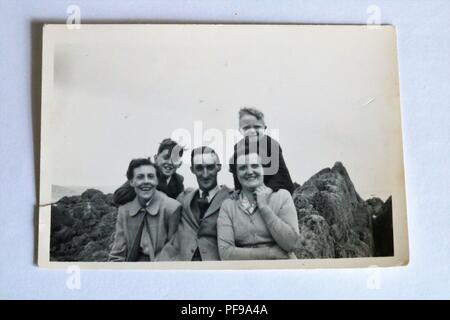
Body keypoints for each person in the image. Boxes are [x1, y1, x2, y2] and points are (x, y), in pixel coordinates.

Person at [218, 149, 299, 260]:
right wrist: (271, 253)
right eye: (242, 168)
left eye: (255, 166)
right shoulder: (228, 206)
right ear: (236, 174)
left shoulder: (282, 196)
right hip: (246, 273)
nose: (250, 172)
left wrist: (264, 207)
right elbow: (226, 253)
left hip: (283, 271)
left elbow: (292, 244)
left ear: (264, 169)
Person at [157, 147, 232, 261]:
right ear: (192, 170)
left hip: (216, 268)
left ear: (219, 167)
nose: (205, 174)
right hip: (183, 267)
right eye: (199, 168)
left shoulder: (231, 198)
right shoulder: (183, 198)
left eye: (210, 167)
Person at [109, 158, 181, 262]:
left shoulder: (172, 208)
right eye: (140, 177)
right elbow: (117, 254)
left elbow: (174, 253)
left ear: (157, 181)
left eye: (151, 176)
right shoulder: (124, 210)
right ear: (131, 182)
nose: (146, 181)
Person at [229, 107, 295, 194]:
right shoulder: (238, 147)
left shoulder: (271, 145)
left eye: (257, 127)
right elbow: (236, 172)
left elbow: (282, 174)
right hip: (251, 188)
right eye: (247, 128)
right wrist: (238, 189)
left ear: (264, 128)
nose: (252, 131)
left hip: (275, 187)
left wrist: (270, 188)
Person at [113, 138, 185, 204]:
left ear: (179, 164)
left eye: (175, 159)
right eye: (166, 157)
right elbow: (118, 196)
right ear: (156, 158)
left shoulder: (178, 180)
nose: (170, 162)